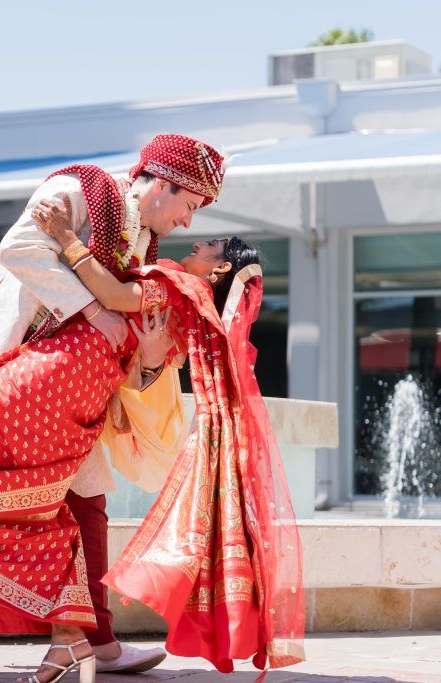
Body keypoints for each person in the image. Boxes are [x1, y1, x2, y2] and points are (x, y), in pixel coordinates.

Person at [0, 134, 225, 679]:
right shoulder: (77, 188)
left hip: (65, 392)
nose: (189, 224)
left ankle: (98, 642)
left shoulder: (142, 245)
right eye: (190, 206)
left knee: (88, 502)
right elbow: (20, 249)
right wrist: (96, 312)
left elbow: (132, 332)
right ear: (164, 185)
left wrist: (143, 359)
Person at [35, 206, 306, 673]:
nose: (199, 240)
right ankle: (95, 636)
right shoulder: (193, 294)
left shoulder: (178, 286)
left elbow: (116, 294)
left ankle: (87, 636)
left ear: (221, 268)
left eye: (214, 245)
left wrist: (66, 239)